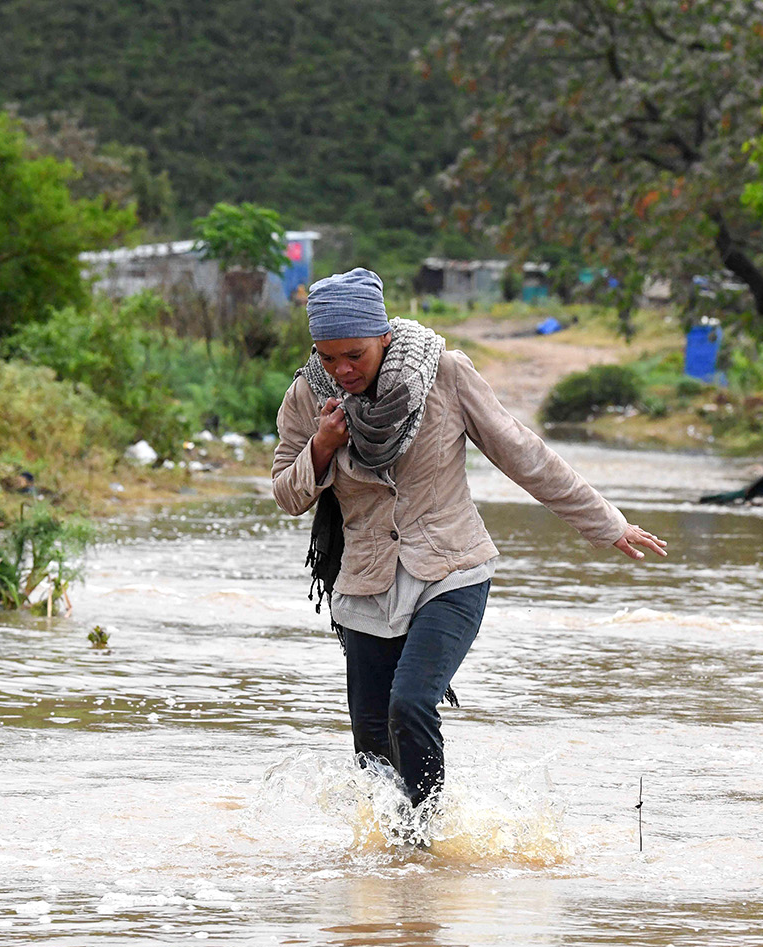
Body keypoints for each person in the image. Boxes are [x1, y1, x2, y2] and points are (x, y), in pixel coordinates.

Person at [271, 268, 666, 834]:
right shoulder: (309, 396)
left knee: (408, 706)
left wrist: (608, 523)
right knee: (370, 738)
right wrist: (322, 446)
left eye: (354, 355)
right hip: (365, 581)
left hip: (451, 570)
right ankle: (398, 866)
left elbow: (522, 454)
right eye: (328, 357)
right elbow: (287, 494)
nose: (342, 371)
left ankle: (434, 845)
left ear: (384, 335)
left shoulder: (446, 375)